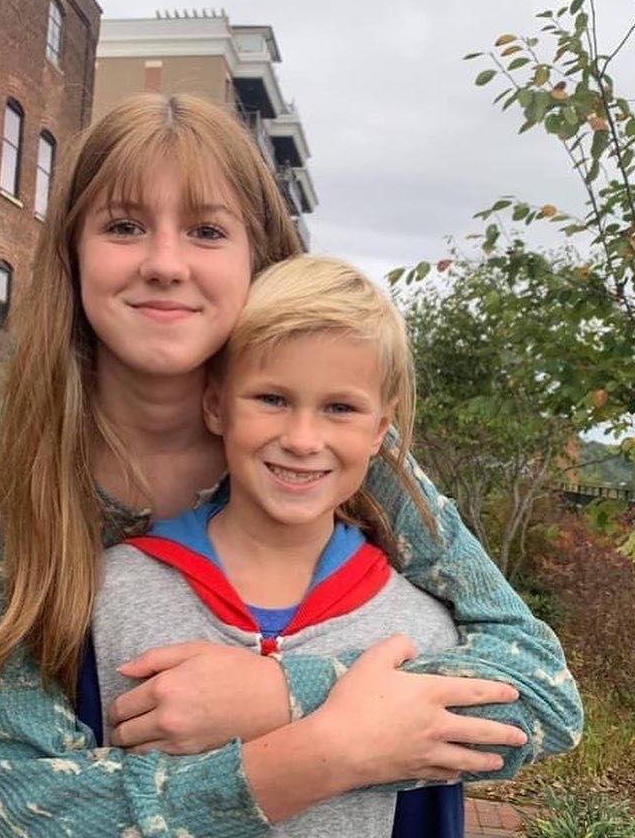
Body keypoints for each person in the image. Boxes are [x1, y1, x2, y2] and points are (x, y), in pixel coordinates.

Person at [0, 92, 583, 837]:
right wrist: (319, 755)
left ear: (259, 257)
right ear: (73, 252)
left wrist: (282, 694)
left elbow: (543, 692)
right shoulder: (4, 467)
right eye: (124, 226)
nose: (165, 264)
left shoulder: (326, 449)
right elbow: (34, 803)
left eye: (207, 231)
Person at [93, 254, 479, 837]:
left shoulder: (421, 632)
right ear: (216, 405)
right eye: (272, 398)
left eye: (340, 408)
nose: (302, 439)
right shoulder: (112, 594)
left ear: (381, 430)